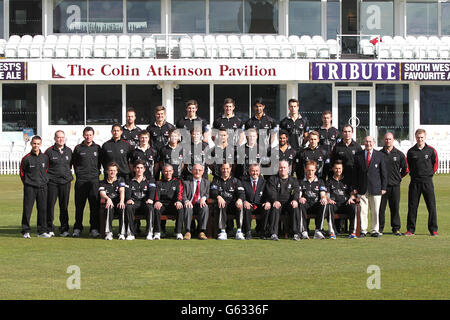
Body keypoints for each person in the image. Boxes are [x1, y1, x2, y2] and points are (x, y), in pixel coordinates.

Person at [405, 129, 439, 236]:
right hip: (415, 182)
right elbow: (408, 166)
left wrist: (428, 174)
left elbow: (435, 165)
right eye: (418, 137)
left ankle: (433, 229)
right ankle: (410, 230)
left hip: (427, 182)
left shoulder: (431, 150)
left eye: (422, 137)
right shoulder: (411, 152)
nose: (420, 139)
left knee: (431, 206)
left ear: (425, 137)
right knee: (412, 206)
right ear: (415, 138)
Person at [353, 136, 387, 238]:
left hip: (376, 187)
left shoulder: (380, 155)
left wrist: (384, 187)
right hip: (362, 187)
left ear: (374, 143)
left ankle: (374, 230)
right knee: (363, 210)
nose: (368, 144)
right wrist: (355, 187)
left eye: (370, 142)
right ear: (364, 142)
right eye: (367, 141)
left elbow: (383, 172)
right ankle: (363, 230)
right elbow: (355, 174)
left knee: (375, 211)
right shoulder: (358, 155)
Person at [330, 124, 361, 233]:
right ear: (342, 133)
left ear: (352, 133)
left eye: (349, 131)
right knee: (338, 199)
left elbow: (360, 166)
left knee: (350, 202)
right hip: (340, 178)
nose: (347, 134)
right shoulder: (337, 147)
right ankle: (337, 228)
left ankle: (351, 229)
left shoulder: (357, 147)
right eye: (345, 131)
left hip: (353, 180)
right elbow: (333, 162)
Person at [72, 127, 102, 238]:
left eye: (90, 135)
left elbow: (100, 164)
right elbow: (74, 163)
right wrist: (80, 174)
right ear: (83, 135)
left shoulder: (98, 148)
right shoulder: (78, 148)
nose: (88, 137)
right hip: (81, 181)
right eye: (86, 134)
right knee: (79, 206)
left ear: (93, 135)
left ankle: (94, 228)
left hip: (94, 181)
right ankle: (77, 228)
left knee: (94, 206)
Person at [20, 135, 50, 238]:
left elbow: (46, 170)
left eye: (38, 144)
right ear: (31, 144)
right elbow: (22, 173)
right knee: (27, 209)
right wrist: (28, 182)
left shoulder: (45, 157)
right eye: (34, 143)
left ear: (40, 144)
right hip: (30, 187)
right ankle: (26, 231)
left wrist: (43, 181)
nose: (36, 145)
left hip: (42, 187)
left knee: (42, 209)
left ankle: (42, 231)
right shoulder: (26, 158)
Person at [379, 132, 409, 236]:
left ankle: (396, 228)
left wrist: (398, 178)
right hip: (382, 187)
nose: (388, 141)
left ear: (393, 140)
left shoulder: (399, 154)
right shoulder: (379, 154)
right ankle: (380, 229)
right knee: (381, 209)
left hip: (395, 186)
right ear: (384, 140)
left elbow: (405, 169)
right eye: (386, 139)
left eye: (390, 139)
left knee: (395, 208)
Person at [45, 130, 73, 237]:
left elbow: (70, 165)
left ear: (64, 138)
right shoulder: (49, 151)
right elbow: (45, 167)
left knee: (64, 206)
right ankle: (49, 228)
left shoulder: (69, 151)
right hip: (52, 182)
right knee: (50, 205)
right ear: (55, 138)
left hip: (65, 182)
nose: (60, 139)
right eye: (58, 137)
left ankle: (64, 229)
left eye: (62, 137)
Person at [265, 160, 300, 241]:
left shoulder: (293, 180)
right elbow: (271, 192)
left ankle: (296, 233)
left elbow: (296, 191)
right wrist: (275, 200)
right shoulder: (272, 179)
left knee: (295, 207)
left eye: (284, 167)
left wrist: (295, 200)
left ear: (288, 169)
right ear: (278, 168)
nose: (282, 169)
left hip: (289, 203)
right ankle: (273, 234)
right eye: (281, 168)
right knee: (275, 207)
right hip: (277, 202)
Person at [210, 163, 245, 240]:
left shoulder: (236, 181)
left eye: (227, 168)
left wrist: (240, 199)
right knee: (222, 204)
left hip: (233, 204)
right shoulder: (216, 180)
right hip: (222, 205)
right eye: (223, 168)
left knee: (240, 205)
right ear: (220, 169)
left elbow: (241, 193)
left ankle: (239, 231)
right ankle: (223, 231)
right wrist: (218, 197)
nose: (225, 170)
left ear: (230, 168)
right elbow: (213, 191)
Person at [125, 160, 157, 240]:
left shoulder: (149, 180)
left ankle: (149, 233)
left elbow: (152, 191)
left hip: (144, 203)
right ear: (134, 169)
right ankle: (130, 233)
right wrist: (128, 199)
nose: (139, 170)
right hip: (134, 203)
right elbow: (127, 192)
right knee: (128, 207)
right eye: (137, 168)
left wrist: (150, 199)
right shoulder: (129, 181)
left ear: (144, 169)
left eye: (141, 168)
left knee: (150, 208)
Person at [326, 160, 358, 239]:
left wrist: (351, 198)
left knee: (354, 207)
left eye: (339, 168)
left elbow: (353, 193)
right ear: (333, 169)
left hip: (345, 204)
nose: (338, 170)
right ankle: (332, 233)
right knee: (329, 207)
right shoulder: (329, 181)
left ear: (342, 169)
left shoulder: (347, 180)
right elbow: (326, 194)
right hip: (334, 204)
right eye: (336, 168)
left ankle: (352, 232)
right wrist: (328, 199)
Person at [298, 160, 329, 240]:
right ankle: (304, 231)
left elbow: (323, 194)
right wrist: (300, 198)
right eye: (308, 170)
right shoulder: (301, 181)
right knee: (300, 204)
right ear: (305, 169)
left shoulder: (320, 181)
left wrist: (323, 198)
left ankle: (318, 230)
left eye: (312, 170)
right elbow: (299, 194)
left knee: (324, 203)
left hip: (316, 205)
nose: (310, 172)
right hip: (306, 205)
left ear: (315, 170)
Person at [154, 164, 184, 240]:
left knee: (180, 208)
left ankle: (178, 232)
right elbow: (157, 194)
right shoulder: (159, 183)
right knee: (156, 208)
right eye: (166, 171)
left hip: (173, 205)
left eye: (170, 171)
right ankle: (157, 232)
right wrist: (157, 201)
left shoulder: (177, 182)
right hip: (162, 205)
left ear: (173, 171)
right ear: (163, 172)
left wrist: (178, 201)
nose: (168, 173)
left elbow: (179, 193)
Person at [241, 164, 271, 239]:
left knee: (267, 208)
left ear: (259, 171)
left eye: (257, 171)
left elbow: (268, 194)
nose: (255, 173)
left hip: (260, 205)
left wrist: (267, 201)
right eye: (253, 171)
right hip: (249, 205)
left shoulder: (264, 182)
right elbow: (241, 193)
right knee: (246, 208)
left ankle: (263, 232)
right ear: (249, 172)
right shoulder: (244, 182)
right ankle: (248, 232)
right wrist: (244, 201)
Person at [182, 164, 210, 240]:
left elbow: (208, 194)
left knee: (205, 208)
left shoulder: (206, 183)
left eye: (200, 170)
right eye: (195, 170)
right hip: (190, 204)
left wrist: (204, 198)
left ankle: (202, 231)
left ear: (203, 171)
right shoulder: (186, 183)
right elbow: (183, 195)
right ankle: (188, 231)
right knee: (188, 207)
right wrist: (186, 201)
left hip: (200, 204)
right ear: (192, 171)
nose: (197, 172)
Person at [99, 162, 126, 240]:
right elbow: (102, 193)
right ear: (107, 171)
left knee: (123, 208)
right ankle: (109, 233)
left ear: (117, 171)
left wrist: (121, 201)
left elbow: (122, 191)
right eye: (110, 170)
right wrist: (108, 199)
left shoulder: (120, 180)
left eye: (114, 170)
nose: (112, 172)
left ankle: (122, 233)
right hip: (109, 204)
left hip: (118, 203)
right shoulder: (102, 182)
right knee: (108, 208)